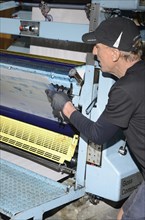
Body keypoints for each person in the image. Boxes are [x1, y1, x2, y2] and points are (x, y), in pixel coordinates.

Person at [46, 17, 145, 220]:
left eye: (98, 47)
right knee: (123, 213)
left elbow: (98, 133)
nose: (94, 52)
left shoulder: (125, 89)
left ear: (115, 53)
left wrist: (66, 107)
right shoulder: (139, 75)